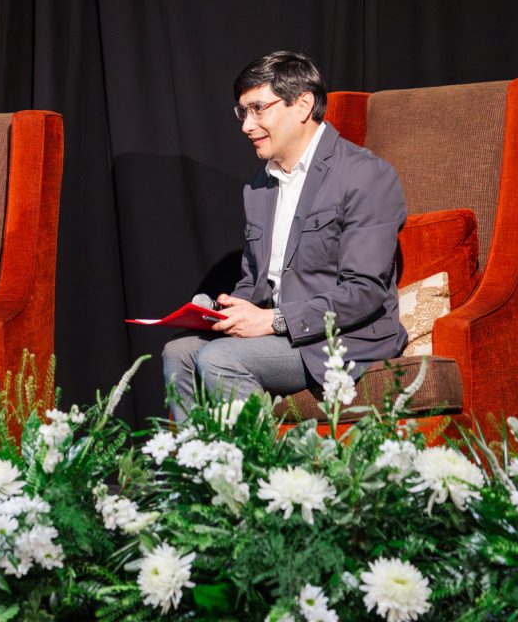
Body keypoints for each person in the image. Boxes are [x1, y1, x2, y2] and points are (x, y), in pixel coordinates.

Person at [162, 51, 407, 422]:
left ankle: (261, 472)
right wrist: (225, 311)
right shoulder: (260, 186)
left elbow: (364, 291)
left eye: (258, 109)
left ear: (302, 104)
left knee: (219, 359)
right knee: (177, 353)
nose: (246, 125)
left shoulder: (365, 175)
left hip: (344, 338)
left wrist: (274, 321)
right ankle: (196, 476)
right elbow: (256, 281)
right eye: (242, 112)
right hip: (282, 336)